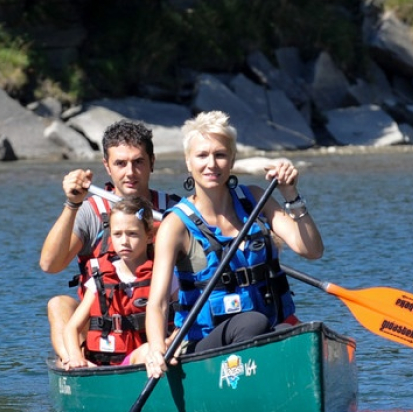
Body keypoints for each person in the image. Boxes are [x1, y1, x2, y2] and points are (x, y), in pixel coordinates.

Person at [142, 110, 324, 379]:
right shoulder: (176, 225)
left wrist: (291, 194)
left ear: (232, 160)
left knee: (297, 334)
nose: (211, 164)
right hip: (203, 346)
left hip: (263, 333)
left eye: (220, 155)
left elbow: (311, 250)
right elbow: (157, 303)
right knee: (253, 321)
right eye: (202, 155)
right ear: (188, 162)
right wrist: (156, 349)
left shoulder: (255, 200)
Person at [40, 120, 180, 366]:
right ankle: (76, 363)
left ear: (152, 162)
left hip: (159, 327)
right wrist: (72, 204)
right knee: (59, 305)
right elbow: (50, 265)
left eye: (138, 162)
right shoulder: (90, 212)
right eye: (120, 163)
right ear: (107, 166)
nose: (130, 172)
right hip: (106, 328)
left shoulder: (174, 211)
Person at [61, 196, 170, 369]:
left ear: (149, 236)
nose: (124, 241)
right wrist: (75, 357)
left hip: (151, 357)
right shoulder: (99, 277)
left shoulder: (163, 274)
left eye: (132, 234)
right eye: (117, 234)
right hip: (107, 365)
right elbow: (71, 328)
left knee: (150, 349)